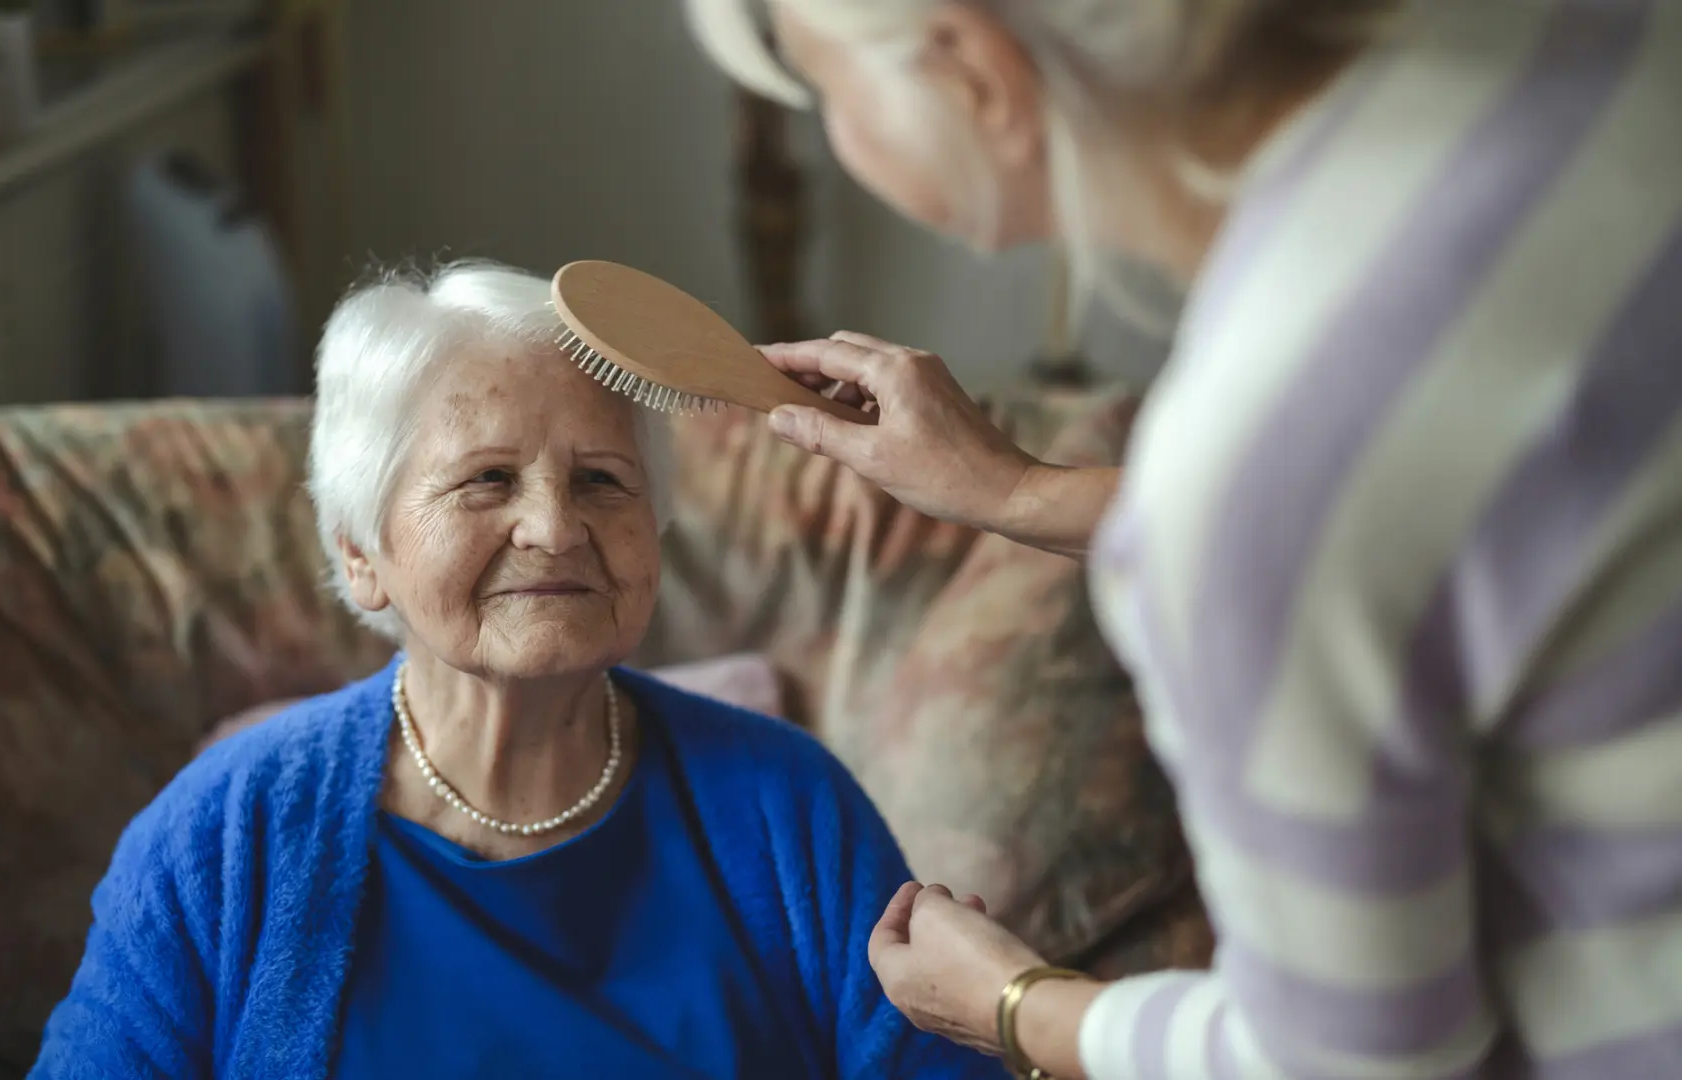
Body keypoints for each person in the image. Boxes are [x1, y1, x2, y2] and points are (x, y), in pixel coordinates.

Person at [689, 1, 1682, 1078]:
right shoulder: (1580, 46)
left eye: (825, 88)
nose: (835, 129)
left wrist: (1024, 1005)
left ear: (974, 72)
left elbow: (1359, 1066)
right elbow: (1455, 520)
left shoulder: (1264, 459)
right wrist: (1020, 492)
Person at [28, 262, 1006, 1079]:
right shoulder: (223, 836)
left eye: (602, 481)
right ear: (360, 553)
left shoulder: (790, 811)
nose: (553, 527)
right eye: (486, 479)